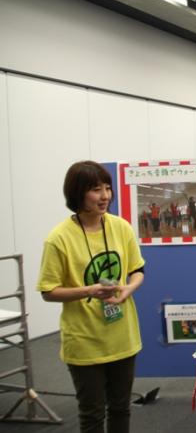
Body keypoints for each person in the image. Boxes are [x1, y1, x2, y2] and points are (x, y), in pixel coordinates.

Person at [37, 161, 145, 433]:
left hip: (122, 335)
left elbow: (137, 271)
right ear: (77, 193)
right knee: (92, 416)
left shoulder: (121, 227)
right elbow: (49, 291)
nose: (105, 196)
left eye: (107, 188)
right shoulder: (58, 238)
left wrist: (128, 289)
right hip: (84, 341)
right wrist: (89, 291)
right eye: (96, 190)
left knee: (121, 408)